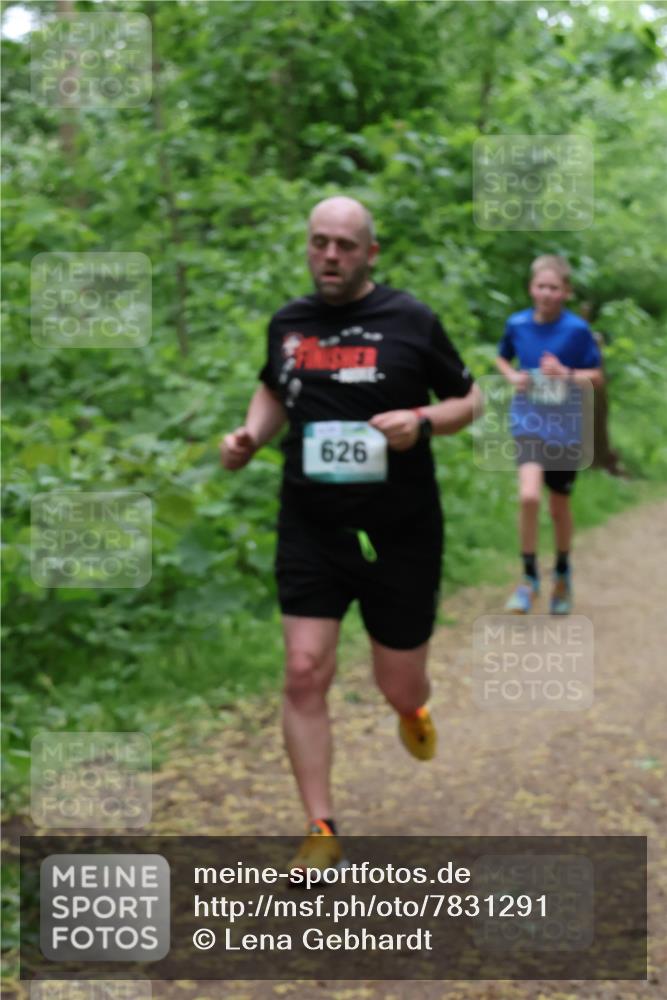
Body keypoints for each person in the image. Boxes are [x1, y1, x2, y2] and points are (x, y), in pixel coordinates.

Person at [221, 196, 479, 880]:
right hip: (312, 525)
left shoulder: (410, 319)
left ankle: (411, 707)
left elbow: (469, 402)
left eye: (343, 244)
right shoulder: (289, 323)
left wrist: (423, 421)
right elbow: (274, 391)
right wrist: (250, 435)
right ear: (307, 248)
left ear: (370, 252)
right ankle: (321, 827)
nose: (328, 255)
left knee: (398, 683)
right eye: (318, 243)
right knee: (304, 671)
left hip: (400, 529)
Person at [495, 255, 603, 615]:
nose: (546, 293)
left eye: (554, 288)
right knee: (528, 497)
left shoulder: (576, 330)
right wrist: (512, 377)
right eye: (541, 286)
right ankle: (528, 579)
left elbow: (597, 376)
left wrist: (565, 373)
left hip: (565, 427)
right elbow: (502, 358)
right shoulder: (517, 324)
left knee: (558, 507)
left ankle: (561, 573)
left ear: (566, 292)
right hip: (528, 421)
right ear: (531, 288)